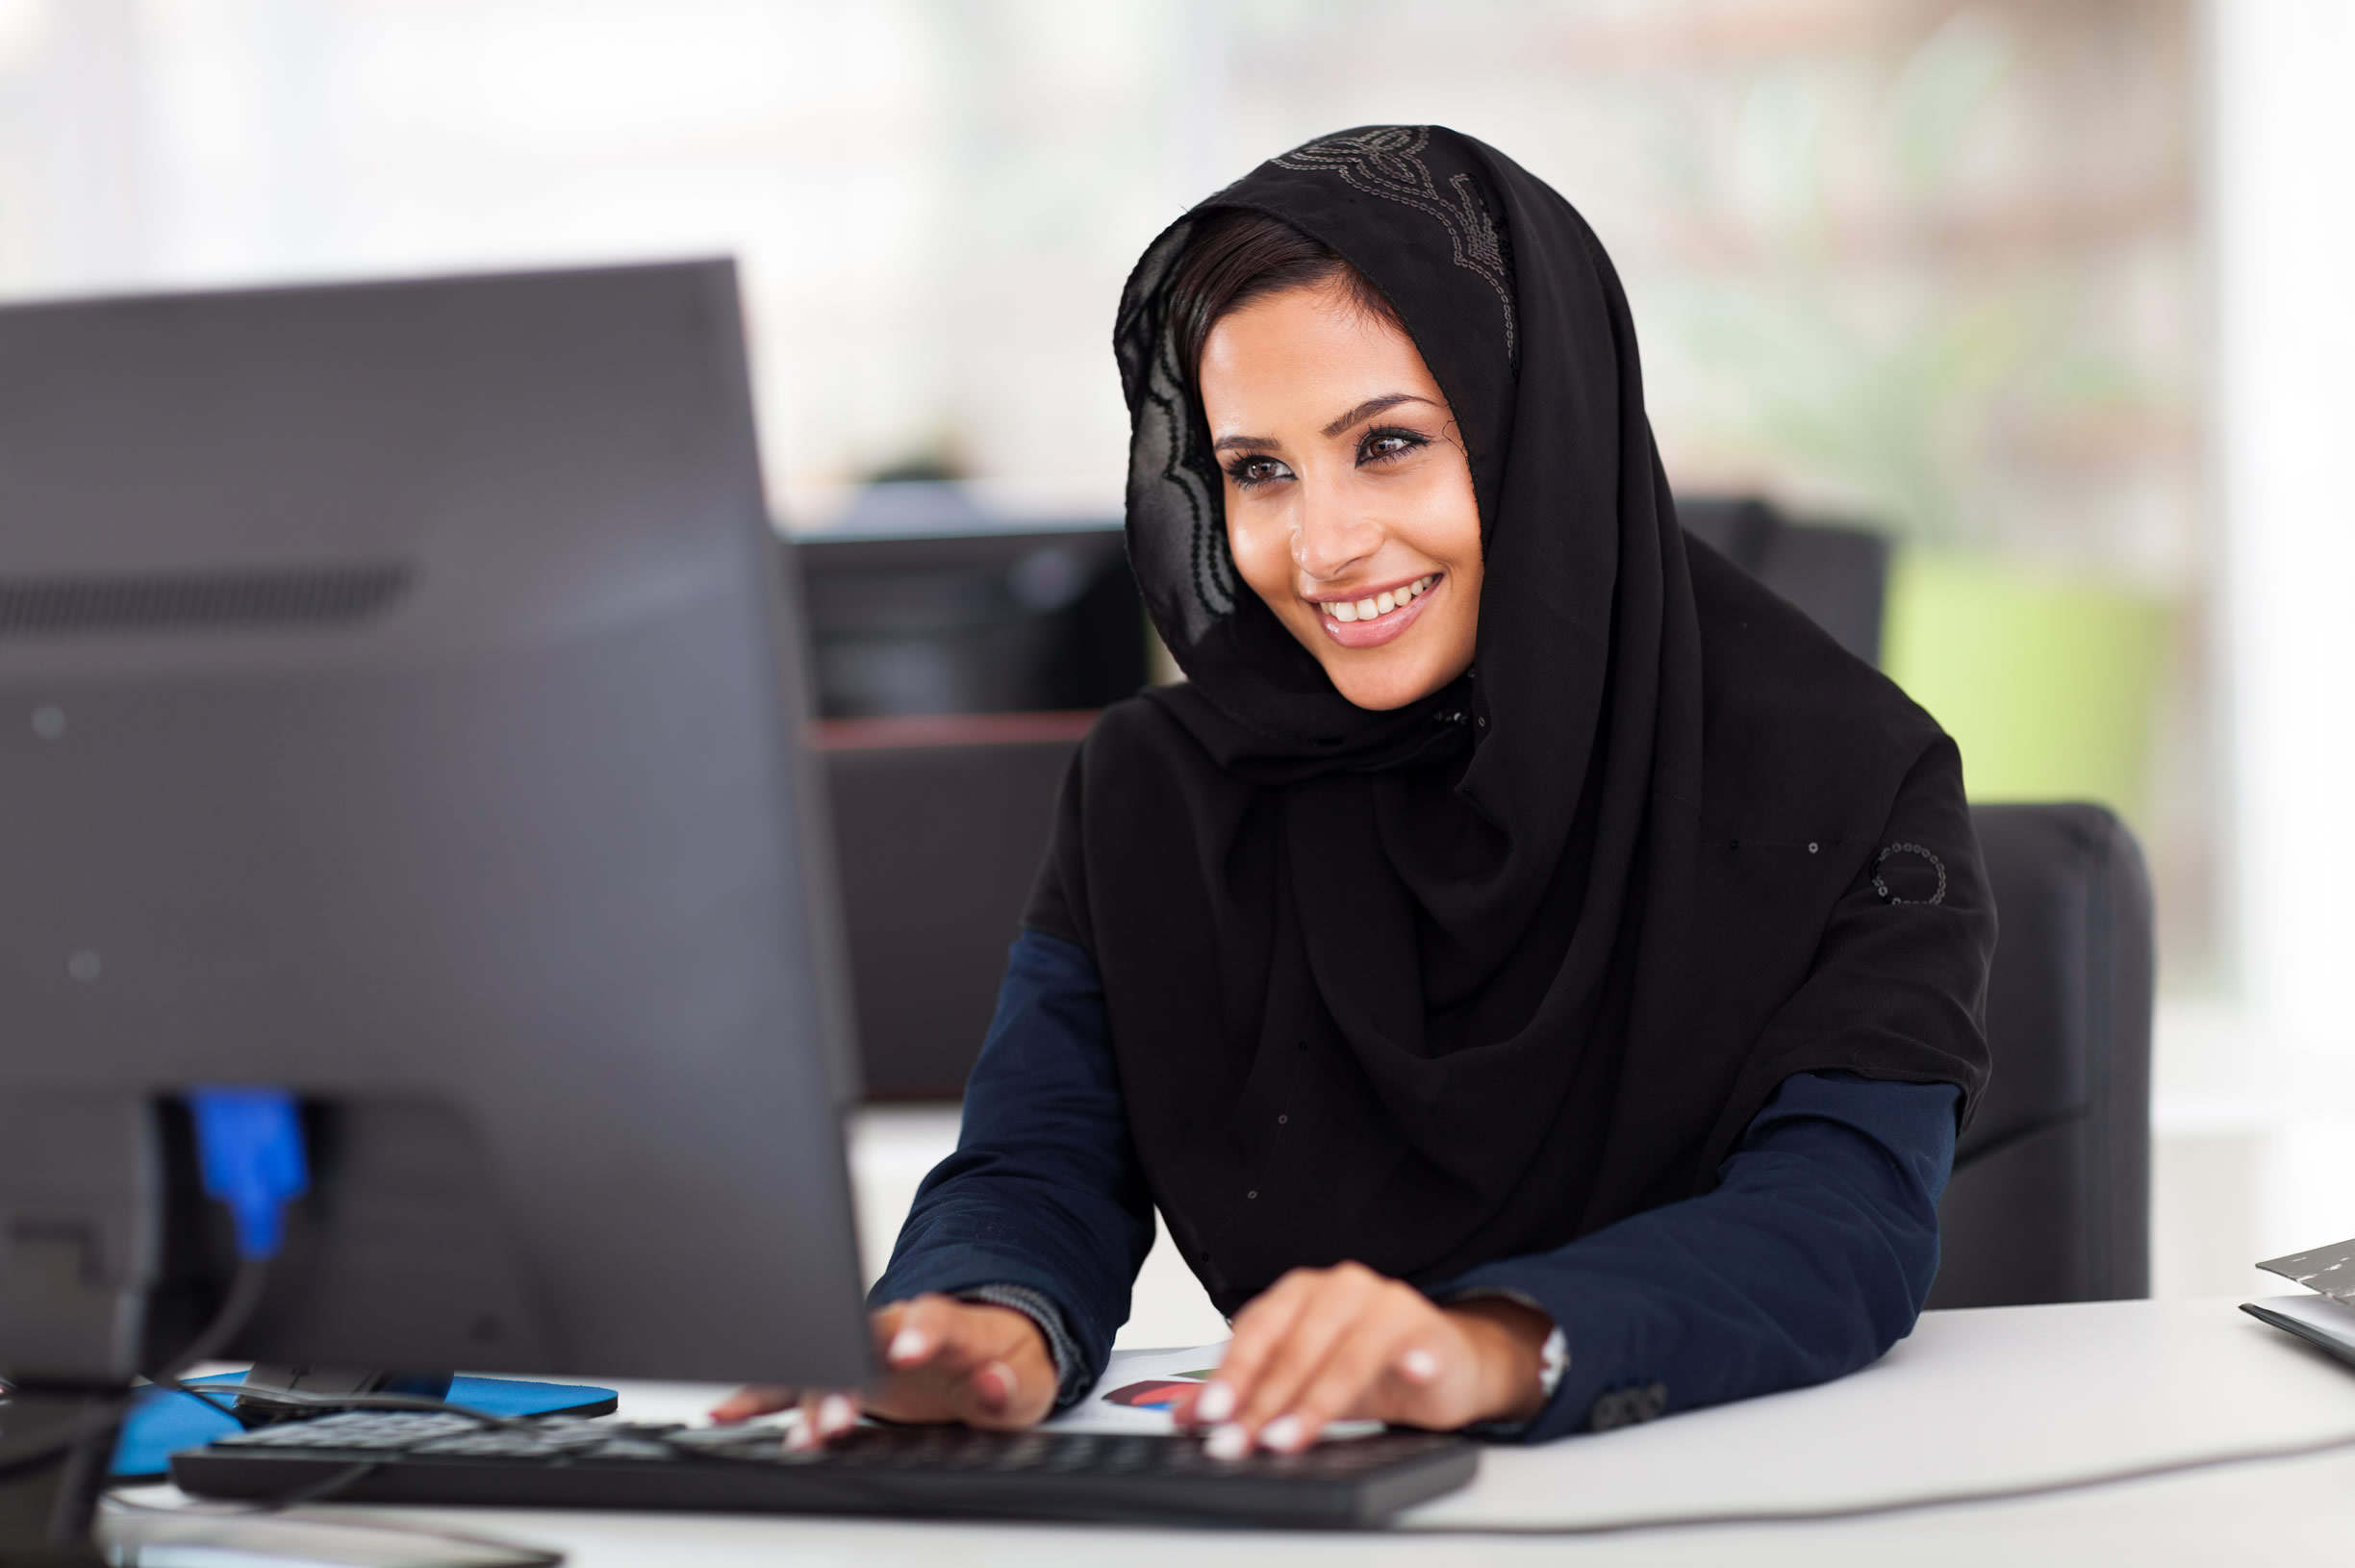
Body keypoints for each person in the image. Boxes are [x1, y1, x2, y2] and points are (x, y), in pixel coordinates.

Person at [716, 124, 1993, 1455]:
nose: (1318, 547)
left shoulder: (1847, 781)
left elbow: (1839, 1218)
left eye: (1386, 444)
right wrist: (976, 1320)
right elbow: (1039, 1168)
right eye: (1257, 471)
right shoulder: (1159, 794)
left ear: (1538, 429)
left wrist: (1485, 1343)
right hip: (1316, 1513)